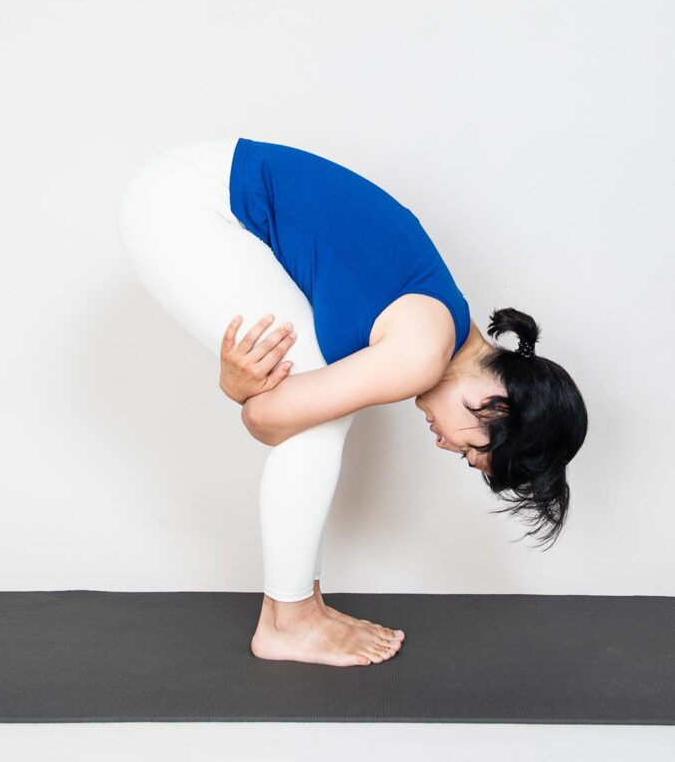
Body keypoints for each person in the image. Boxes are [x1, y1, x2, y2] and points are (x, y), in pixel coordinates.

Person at [116, 136, 588, 667]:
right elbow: (265, 419)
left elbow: (268, 408)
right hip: (189, 202)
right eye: (467, 451)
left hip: (197, 190)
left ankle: (301, 604)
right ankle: (288, 620)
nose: (445, 446)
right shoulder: (423, 352)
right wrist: (242, 390)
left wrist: (250, 390)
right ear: (495, 404)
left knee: (319, 405)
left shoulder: (441, 318)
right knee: (319, 419)